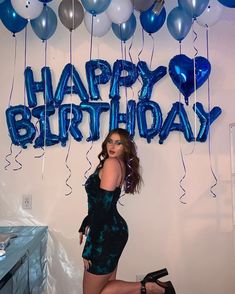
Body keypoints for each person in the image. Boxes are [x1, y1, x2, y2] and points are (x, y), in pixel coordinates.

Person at [79, 128, 175, 294]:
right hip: (111, 230)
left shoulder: (111, 163)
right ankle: (149, 285)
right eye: (110, 141)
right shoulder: (117, 163)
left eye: (118, 143)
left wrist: (89, 249)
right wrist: (86, 222)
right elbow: (101, 205)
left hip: (105, 233)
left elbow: (103, 209)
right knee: (106, 287)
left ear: (125, 147)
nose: (112, 146)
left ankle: (149, 286)